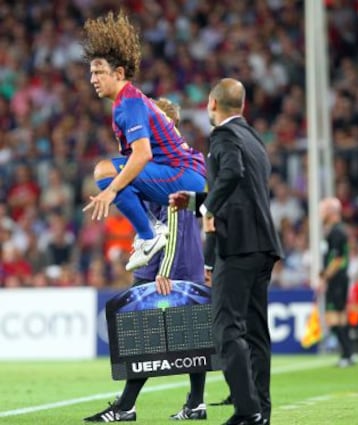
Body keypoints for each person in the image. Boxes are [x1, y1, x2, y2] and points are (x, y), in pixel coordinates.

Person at [83, 99, 208, 423]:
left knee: (179, 333)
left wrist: (166, 268)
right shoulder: (154, 163)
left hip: (173, 260)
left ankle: (143, 405)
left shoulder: (176, 165)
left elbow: (180, 217)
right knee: (156, 332)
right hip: (160, 258)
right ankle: (183, 403)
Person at [170, 78, 283, 425]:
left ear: (212, 103)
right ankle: (261, 410)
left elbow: (231, 174)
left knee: (225, 330)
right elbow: (240, 192)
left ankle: (247, 412)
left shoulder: (223, 136)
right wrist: (194, 201)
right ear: (243, 106)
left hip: (237, 247)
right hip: (262, 244)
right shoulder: (254, 138)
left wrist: (207, 210)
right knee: (255, 332)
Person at [81, 10, 206, 272]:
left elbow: (142, 155)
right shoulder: (122, 104)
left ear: (118, 73)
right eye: (91, 73)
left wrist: (110, 191)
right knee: (115, 173)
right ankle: (150, 234)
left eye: (99, 72)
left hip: (183, 175)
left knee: (105, 171)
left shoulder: (130, 101)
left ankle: (150, 236)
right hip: (180, 176)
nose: (93, 79)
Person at [318, 197, 355, 368]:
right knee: (340, 316)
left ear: (331, 212)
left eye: (323, 210)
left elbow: (337, 259)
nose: (321, 214)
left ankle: (346, 354)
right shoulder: (339, 230)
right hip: (341, 278)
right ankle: (347, 354)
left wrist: (324, 277)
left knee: (334, 317)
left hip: (337, 279)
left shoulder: (335, 232)